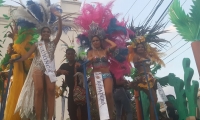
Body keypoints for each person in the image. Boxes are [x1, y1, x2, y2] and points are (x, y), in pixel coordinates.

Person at [11, 8, 62, 120]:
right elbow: (26, 56)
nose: (46, 33)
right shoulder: (37, 44)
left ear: (50, 34)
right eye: (44, 31)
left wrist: (59, 17)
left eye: (48, 32)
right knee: (38, 90)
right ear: (41, 33)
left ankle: (49, 118)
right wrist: (15, 60)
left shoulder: (54, 43)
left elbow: (60, 32)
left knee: (50, 91)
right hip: (38, 68)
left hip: (49, 69)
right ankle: (38, 118)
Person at [127, 22, 169, 120]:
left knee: (154, 99)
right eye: (139, 47)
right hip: (143, 78)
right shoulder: (136, 56)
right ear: (136, 48)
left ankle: (156, 115)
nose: (141, 48)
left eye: (142, 46)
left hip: (150, 77)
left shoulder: (146, 55)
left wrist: (147, 59)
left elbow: (151, 60)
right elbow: (136, 65)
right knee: (153, 99)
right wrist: (143, 61)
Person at [56, 48, 88, 120]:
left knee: (84, 111)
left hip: (81, 90)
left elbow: (85, 69)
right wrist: (61, 71)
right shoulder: (64, 65)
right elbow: (55, 74)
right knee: (71, 110)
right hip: (71, 91)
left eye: (72, 54)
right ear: (66, 55)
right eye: (68, 54)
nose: (70, 55)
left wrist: (80, 65)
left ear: (74, 55)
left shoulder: (79, 63)